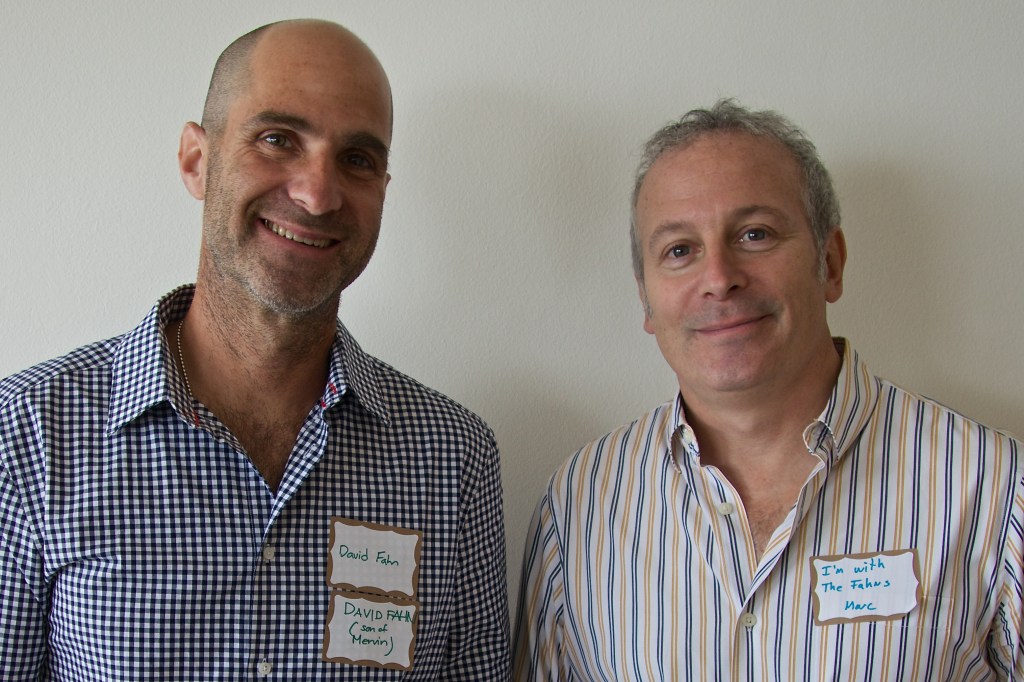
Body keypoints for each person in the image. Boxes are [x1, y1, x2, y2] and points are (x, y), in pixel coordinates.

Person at [0, 20, 510, 680]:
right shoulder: (28, 435)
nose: (317, 194)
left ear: (383, 189)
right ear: (197, 160)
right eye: (278, 139)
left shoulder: (453, 457)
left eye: (357, 158)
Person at [513, 99, 1023, 680]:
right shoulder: (580, 503)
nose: (718, 278)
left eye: (755, 234)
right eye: (679, 250)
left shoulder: (996, 490)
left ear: (830, 263)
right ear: (646, 299)